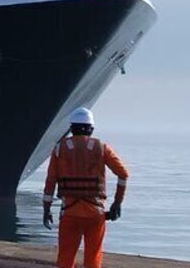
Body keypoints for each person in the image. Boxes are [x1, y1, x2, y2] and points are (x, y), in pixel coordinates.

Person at [43, 107, 128, 268]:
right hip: (95, 214)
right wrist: (117, 203)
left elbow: (50, 182)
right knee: (93, 259)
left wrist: (46, 209)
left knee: (65, 259)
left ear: (71, 128)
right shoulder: (102, 148)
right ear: (91, 129)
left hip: (69, 212)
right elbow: (123, 174)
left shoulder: (59, 149)